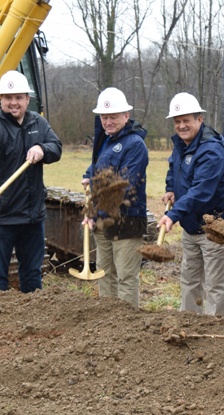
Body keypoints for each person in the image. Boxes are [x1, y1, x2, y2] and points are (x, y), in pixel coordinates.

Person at [0, 70, 62, 293]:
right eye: (8, 98)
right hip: (0, 216)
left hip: (32, 217)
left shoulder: (38, 122)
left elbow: (56, 147)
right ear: (0, 99)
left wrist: (42, 149)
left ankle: (33, 313)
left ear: (27, 99)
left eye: (18, 97)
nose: (13, 102)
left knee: (32, 273)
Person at [158, 93, 224, 316]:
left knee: (215, 286)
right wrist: (171, 188)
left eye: (186, 120)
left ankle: (213, 330)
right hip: (191, 227)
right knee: (189, 280)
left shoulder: (211, 151)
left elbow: (201, 192)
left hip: (214, 229)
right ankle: (187, 324)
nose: (181, 126)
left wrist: (173, 215)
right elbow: (174, 169)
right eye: (177, 121)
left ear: (200, 119)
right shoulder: (181, 144)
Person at [81, 87, 148, 308]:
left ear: (126, 116)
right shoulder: (106, 140)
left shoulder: (135, 145)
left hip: (127, 220)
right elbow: (99, 166)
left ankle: (127, 323)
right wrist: (88, 175)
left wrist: (94, 211)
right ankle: (108, 320)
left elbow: (124, 187)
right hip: (103, 220)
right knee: (105, 272)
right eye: (104, 117)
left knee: (125, 277)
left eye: (113, 117)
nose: (108, 122)